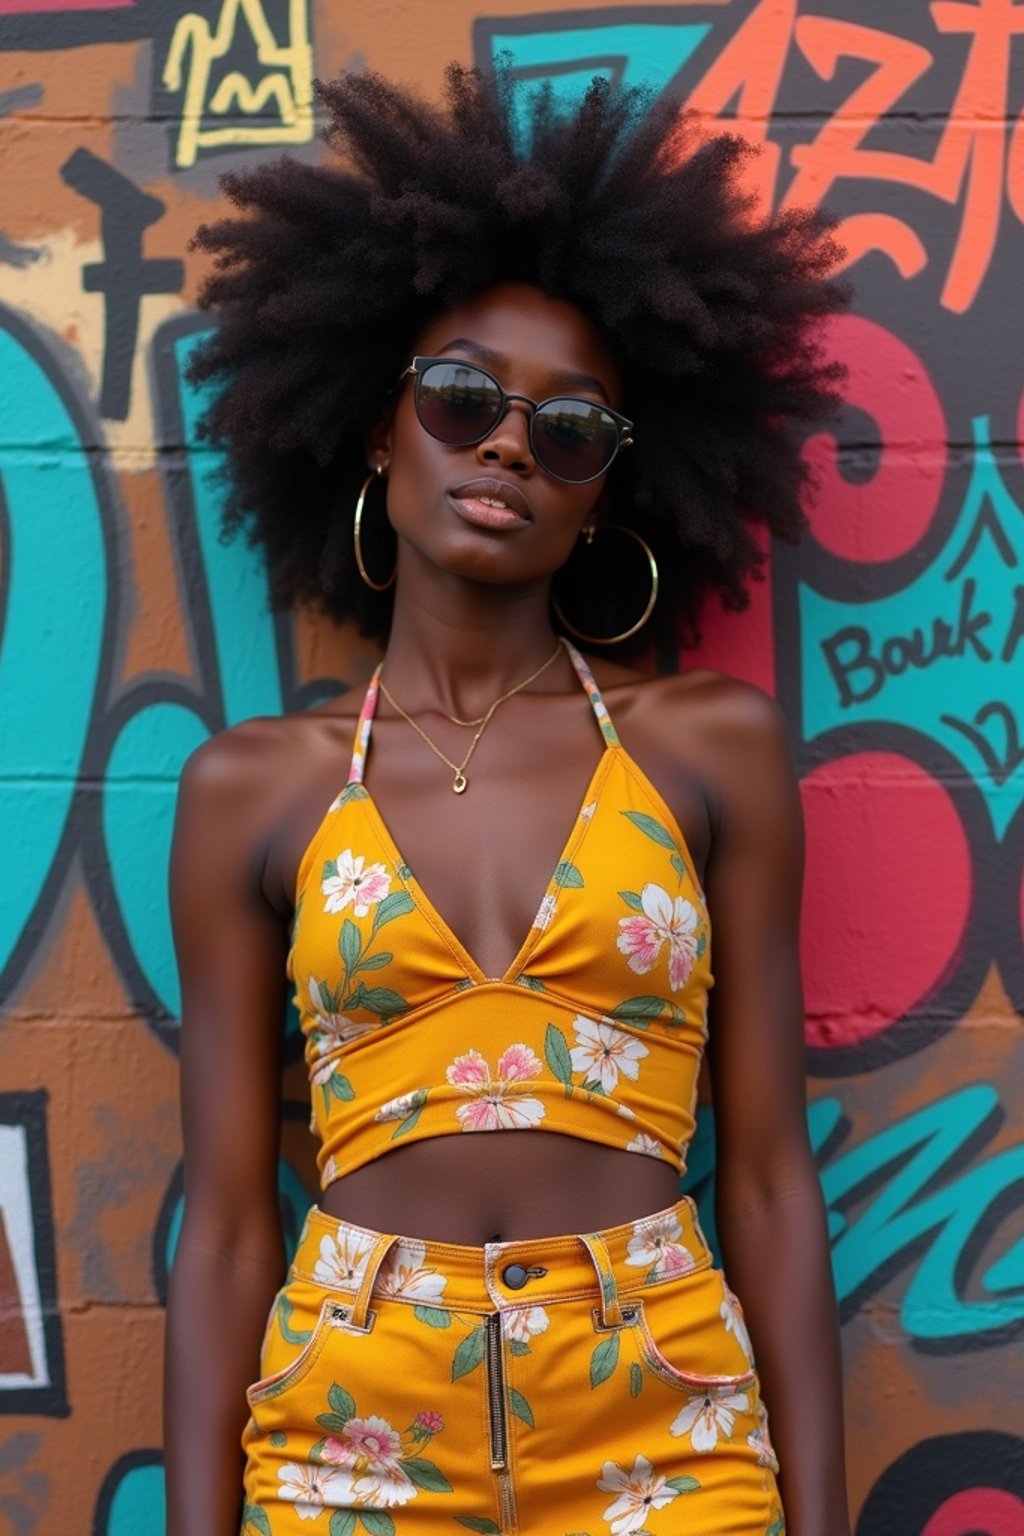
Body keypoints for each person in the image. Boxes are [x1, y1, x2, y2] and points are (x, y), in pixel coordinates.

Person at [165, 63, 851, 1536]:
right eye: (462, 398)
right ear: (374, 426)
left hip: (663, 1419)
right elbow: (224, 1230)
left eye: (570, 430)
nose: (505, 447)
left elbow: (777, 1185)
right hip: (349, 1430)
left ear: (605, 487)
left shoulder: (707, 748)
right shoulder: (250, 788)